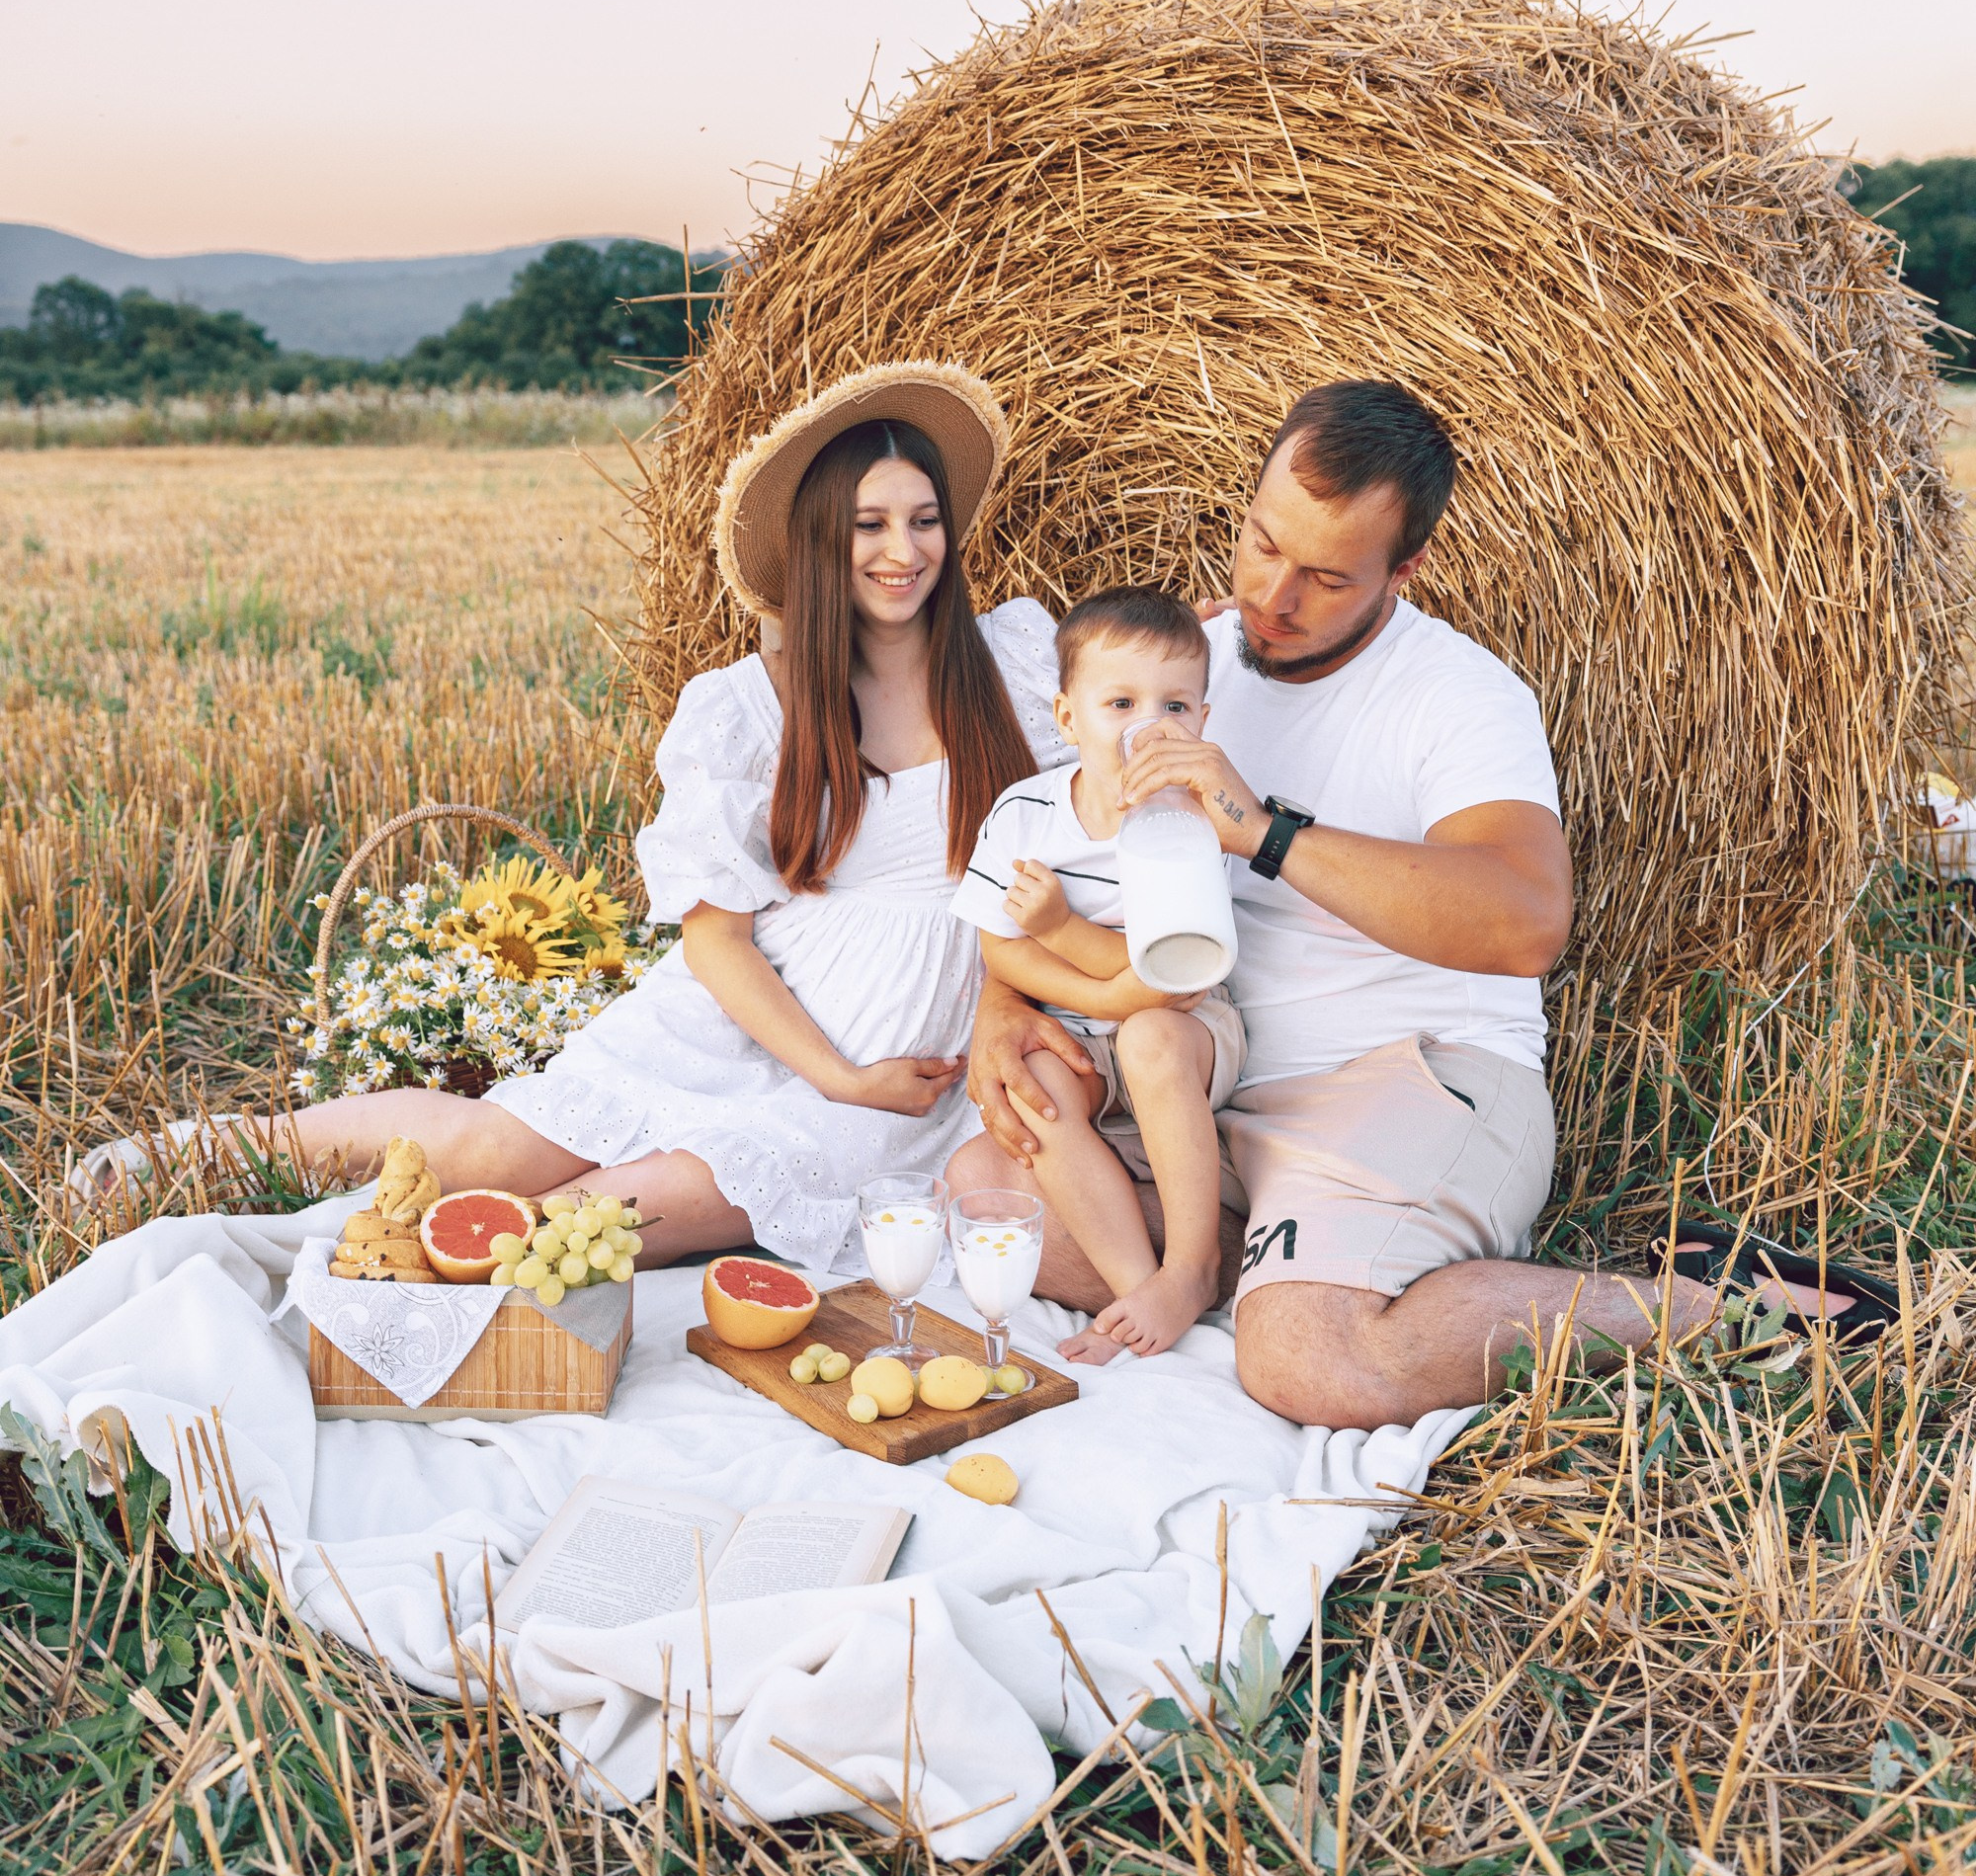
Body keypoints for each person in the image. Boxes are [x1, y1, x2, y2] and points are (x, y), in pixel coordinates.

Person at [954, 376, 1857, 1425]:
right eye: (1259, 542)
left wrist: (1260, 829)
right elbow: (1059, 849)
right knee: (989, 1184)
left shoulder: (1458, 697)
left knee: (1305, 1363)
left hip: (1412, 1077)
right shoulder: (1193, 668)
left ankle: (1708, 1306)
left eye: (1325, 577)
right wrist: (1002, 1009)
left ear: (1404, 568)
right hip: (1218, 1084)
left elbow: (1524, 919)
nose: (1271, 597)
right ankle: (1271, 1261)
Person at [214, 365, 1068, 1270]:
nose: (904, 550)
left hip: (906, 1069)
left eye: (923, 520)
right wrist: (838, 1073)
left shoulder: (1018, 659)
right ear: (823, 537)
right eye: (871, 524)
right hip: (765, 1025)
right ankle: (211, 1150)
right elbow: (718, 941)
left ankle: (369, 1267)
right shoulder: (751, 708)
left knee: (580, 1224)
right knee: (493, 1157)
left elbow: (1137, 720)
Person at [952, 587, 1246, 1360]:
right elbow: (999, 952)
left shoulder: (1191, 822)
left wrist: (1060, 930)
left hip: (1188, 1031)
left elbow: (1170, 979)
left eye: (1175, 706)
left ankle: (1192, 1265)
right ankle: (1138, 1285)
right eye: (1120, 701)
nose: (1150, 726)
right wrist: (1092, 992)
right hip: (1079, 1031)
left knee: (1148, 1038)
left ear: (1204, 723)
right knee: (1036, 1090)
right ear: (1067, 717)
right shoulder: (1024, 815)